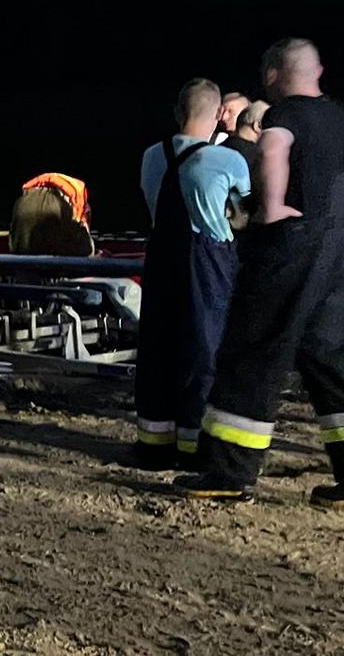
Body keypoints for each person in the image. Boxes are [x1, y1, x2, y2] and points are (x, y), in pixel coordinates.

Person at [178, 38, 344, 506]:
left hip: (290, 253)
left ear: (272, 74)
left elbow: (274, 149)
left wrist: (269, 209)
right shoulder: (339, 117)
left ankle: (228, 473)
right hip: (337, 259)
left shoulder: (283, 116)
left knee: (253, 354)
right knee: (331, 363)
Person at [130, 78, 250, 470]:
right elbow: (244, 215)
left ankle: (153, 445)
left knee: (157, 350)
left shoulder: (150, 156)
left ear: (177, 112)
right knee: (204, 352)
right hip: (208, 265)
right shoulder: (229, 161)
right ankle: (192, 447)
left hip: (159, 261)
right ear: (219, 115)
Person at [9, 173, 95, 256]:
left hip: (25, 202)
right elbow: (85, 249)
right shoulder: (79, 201)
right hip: (60, 203)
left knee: (24, 245)